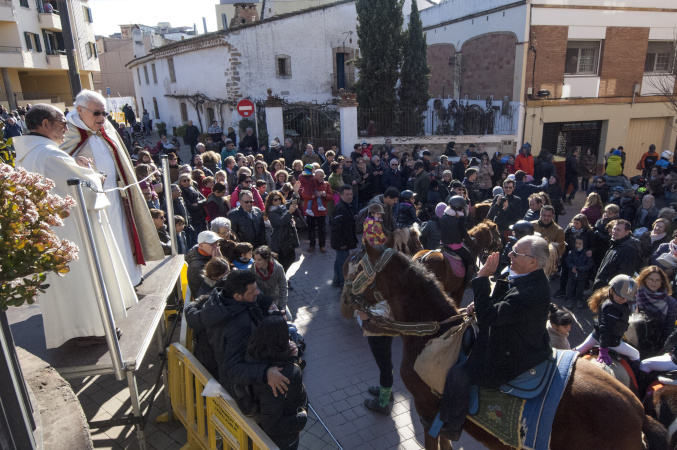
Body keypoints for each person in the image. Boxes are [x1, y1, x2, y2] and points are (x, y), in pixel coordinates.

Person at [13, 104, 144, 348]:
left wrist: (77, 166)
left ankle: (84, 328)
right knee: (84, 279)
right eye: (62, 121)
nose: (66, 126)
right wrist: (94, 175)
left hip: (57, 230)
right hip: (71, 231)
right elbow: (82, 187)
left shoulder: (33, 152)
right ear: (45, 125)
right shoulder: (49, 154)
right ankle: (92, 328)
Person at [438, 236, 552, 441]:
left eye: (516, 253)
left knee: (458, 374)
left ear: (532, 262)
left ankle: (453, 426)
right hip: (524, 336)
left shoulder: (529, 292)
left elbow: (489, 317)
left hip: (515, 354)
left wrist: (482, 277)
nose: (510, 255)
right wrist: (483, 302)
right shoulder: (530, 278)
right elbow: (504, 303)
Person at [61, 90, 163, 286]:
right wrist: (74, 162)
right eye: (96, 113)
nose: (102, 118)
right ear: (80, 110)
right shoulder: (67, 132)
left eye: (104, 113)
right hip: (89, 202)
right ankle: (110, 284)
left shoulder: (106, 127)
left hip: (117, 196)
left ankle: (130, 278)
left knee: (123, 237)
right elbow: (58, 163)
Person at [200, 271, 290, 402]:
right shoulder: (238, 325)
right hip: (245, 393)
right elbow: (231, 368)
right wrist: (265, 373)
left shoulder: (227, 303)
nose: (258, 293)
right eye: (252, 291)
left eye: (256, 288)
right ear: (237, 296)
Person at [246, 315, 307, 450]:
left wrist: (294, 357)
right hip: (283, 439)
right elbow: (272, 424)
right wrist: (302, 418)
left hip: (254, 428)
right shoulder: (285, 373)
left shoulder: (252, 357)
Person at [575, 275, 640, 366]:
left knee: (575, 352)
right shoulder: (611, 309)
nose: (622, 299)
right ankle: (636, 379)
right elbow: (606, 330)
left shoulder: (608, 299)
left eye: (625, 298)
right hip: (610, 342)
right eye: (619, 296)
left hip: (595, 336)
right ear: (612, 290)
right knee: (636, 354)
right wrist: (603, 349)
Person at [593, 219, 642, 290]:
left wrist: (611, 288)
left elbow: (625, 273)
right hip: (603, 286)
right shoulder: (615, 244)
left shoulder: (629, 249)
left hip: (611, 289)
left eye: (618, 230)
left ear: (627, 232)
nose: (614, 231)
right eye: (614, 229)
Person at [635, 266, 677, 344]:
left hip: (656, 342)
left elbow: (669, 327)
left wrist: (664, 346)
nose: (654, 283)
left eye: (657, 280)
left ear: (662, 282)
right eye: (651, 279)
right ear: (645, 279)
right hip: (634, 339)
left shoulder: (671, 302)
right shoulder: (634, 295)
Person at [440, 196, 475, 284]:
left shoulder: (444, 215)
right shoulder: (460, 219)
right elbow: (464, 233)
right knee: (471, 258)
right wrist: (471, 240)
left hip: (443, 244)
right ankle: (468, 281)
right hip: (455, 246)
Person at [331, 185, 358, 287]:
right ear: (341, 195)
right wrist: (341, 243)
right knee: (344, 264)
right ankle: (344, 285)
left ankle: (336, 280)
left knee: (339, 260)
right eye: (347, 194)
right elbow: (336, 228)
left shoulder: (346, 206)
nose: (350, 196)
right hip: (342, 243)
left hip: (343, 241)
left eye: (351, 194)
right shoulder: (340, 208)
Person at [249, 246, 288, 310]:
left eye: (259, 260)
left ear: (267, 259)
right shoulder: (252, 269)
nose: (256, 262)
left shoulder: (278, 268)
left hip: (275, 300)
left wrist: (282, 306)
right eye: (255, 259)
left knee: (288, 318)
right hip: (261, 301)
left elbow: (283, 286)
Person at [186, 231, 223, 297]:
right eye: (212, 244)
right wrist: (218, 264)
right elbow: (210, 286)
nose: (216, 246)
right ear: (201, 245)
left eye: (217, 243)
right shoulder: (197, 265)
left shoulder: (209, 254)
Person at [564, 235, 594, 309]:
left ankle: (579, 300)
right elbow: (568, 260)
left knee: (580, 288)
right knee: (570, 287)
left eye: (580, 243)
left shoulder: (587, 254)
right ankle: (569, 299)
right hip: (572, 273)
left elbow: (589, 265)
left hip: (582, 275)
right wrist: (572, 267)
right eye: (576, 243)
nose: (577, 245)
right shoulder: (572, 251)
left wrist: (579, 269)